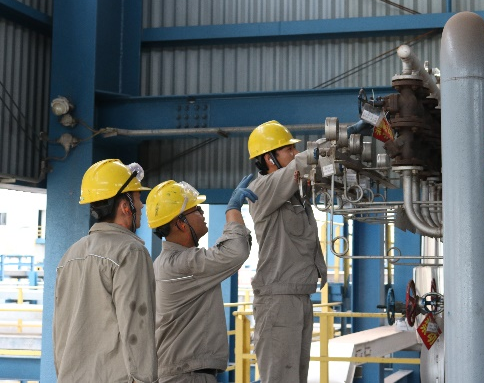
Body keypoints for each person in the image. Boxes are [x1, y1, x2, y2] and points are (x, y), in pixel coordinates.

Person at [53, 159, 158, 383]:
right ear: (125, 206)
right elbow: (137, 330)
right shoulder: (130, 252)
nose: (141, 206)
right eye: (138, 199)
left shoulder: (70, 255)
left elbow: (59, 331)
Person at [147, 176, 257, 382]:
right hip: (186, 376)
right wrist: (232, 210)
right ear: (181, 223)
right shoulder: (182, 264)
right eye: (196, 210)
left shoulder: (167, 262)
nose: (202, 213)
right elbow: (235, 251)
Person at [247, 120, 327, 383]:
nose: (295, 153)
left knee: (296, 377)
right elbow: (300, 164)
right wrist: (325, 145)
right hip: (278, 299)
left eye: (295, 149)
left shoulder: (292, 194)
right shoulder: (261, 189)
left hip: (298, 295)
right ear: (268, 158)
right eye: (288, 150)